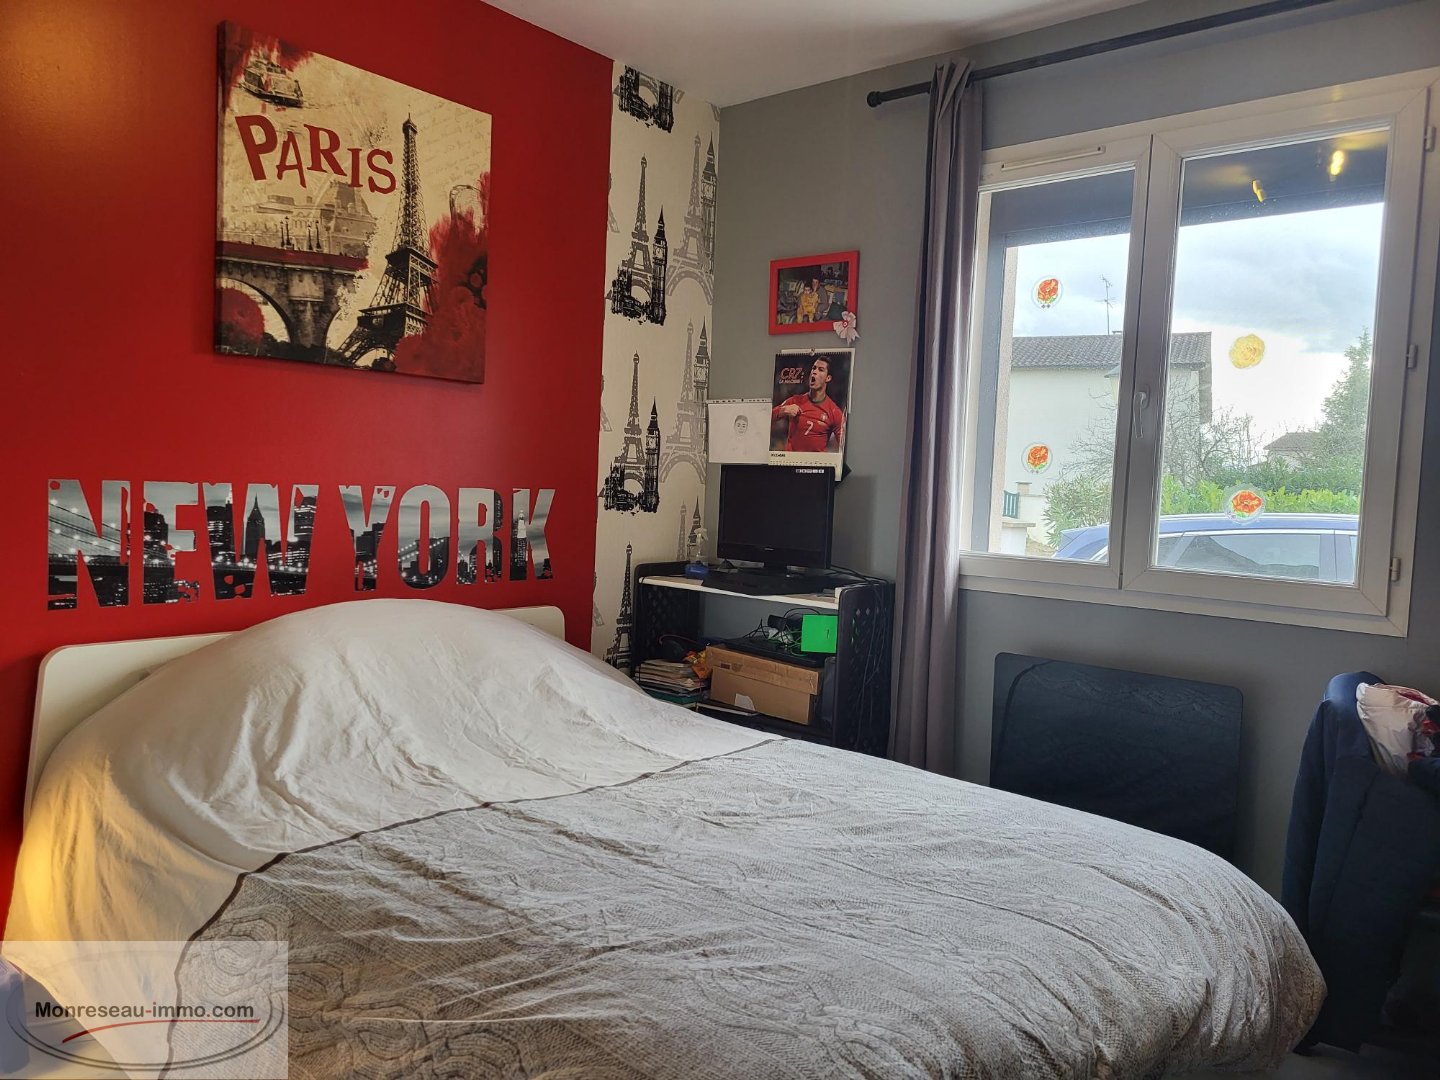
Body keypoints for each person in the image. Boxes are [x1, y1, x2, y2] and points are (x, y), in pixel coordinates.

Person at [772, 356, 844, 452]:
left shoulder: (834, 412)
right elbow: (767, 418)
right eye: (813, 368)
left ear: (828, 378)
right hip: (791, 460)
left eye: (820, 370)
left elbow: (844, 447)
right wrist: (784, 410)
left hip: (816, 461)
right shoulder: (795, 401)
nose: (814, 372)